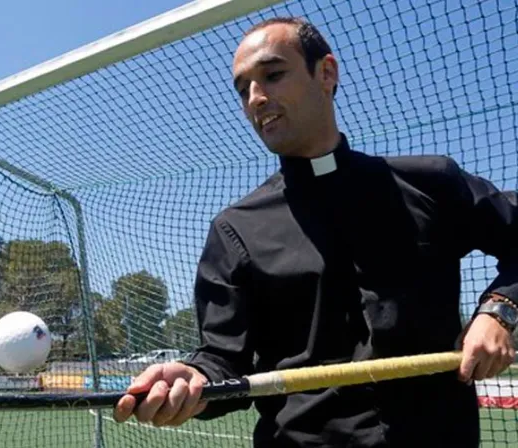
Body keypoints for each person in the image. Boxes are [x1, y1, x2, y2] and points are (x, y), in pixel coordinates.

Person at [113, 16, 518, 447]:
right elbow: (223, 360)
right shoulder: (234, 229)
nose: (256, 97)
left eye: (272, 75)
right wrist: (191, 378)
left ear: (326, 72)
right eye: (243, 88)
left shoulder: (432, 183)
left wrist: (500, 310)